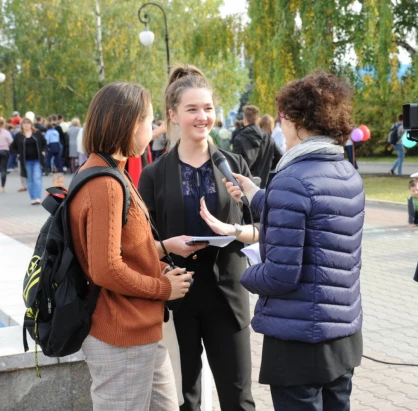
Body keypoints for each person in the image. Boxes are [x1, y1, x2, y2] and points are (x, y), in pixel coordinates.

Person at [224, 71, 364, 411]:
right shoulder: (346, 173)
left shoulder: (292, 179)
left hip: (300, 341)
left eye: (284, 117)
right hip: (341, 335)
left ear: (296, 120)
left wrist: (243, 269)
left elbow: (280, 275)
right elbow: (312, 214)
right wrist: (255, 195)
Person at [138, 64, 257, 411]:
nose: (202, 116)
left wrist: (234, 230)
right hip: (177, 295)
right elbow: (141, 242)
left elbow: (263, 229)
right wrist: (165, 250)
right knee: (184, 398)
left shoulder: (233, 165)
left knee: (238, 398)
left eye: (207, 108)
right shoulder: (154, 175)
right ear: (173, 115)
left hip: (229, 294)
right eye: (192, 109)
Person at [69, 81, 193, 411]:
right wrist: (162, 287)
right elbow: (105, 268)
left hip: (140, 330)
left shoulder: (113, 172)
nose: (153, 129)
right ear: (129, 123)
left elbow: (124, 247)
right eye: (149, 121)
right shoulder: (105, 184)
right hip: (120, 334)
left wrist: (161, 252)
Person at [233, 105, 278, 188]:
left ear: (245, 120)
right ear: (258, 120)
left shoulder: (239, 138)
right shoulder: (268, 137)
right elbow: (279, 158)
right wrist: (266, 168)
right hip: (264, 185)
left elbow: (235, 166)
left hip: (246, 186)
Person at [11, 117, 47, 204]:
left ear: (31, 124)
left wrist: (43, 151)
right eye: (24, 123)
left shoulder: (37, 133)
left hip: (37, 160)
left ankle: (38, 197)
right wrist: (17, 154)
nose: (26, 124)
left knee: (37, 178)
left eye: (28, 123)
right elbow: (12, 146)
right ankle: (33, 198)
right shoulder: (19, 135)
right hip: (26, 161)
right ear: (22, 125)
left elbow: (44, 143)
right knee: (29, 179)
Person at [0, 117, 13, 193]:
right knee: (3, 169)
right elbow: (11, 141)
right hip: (4, 151)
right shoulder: (6, 132)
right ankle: (2, 187)